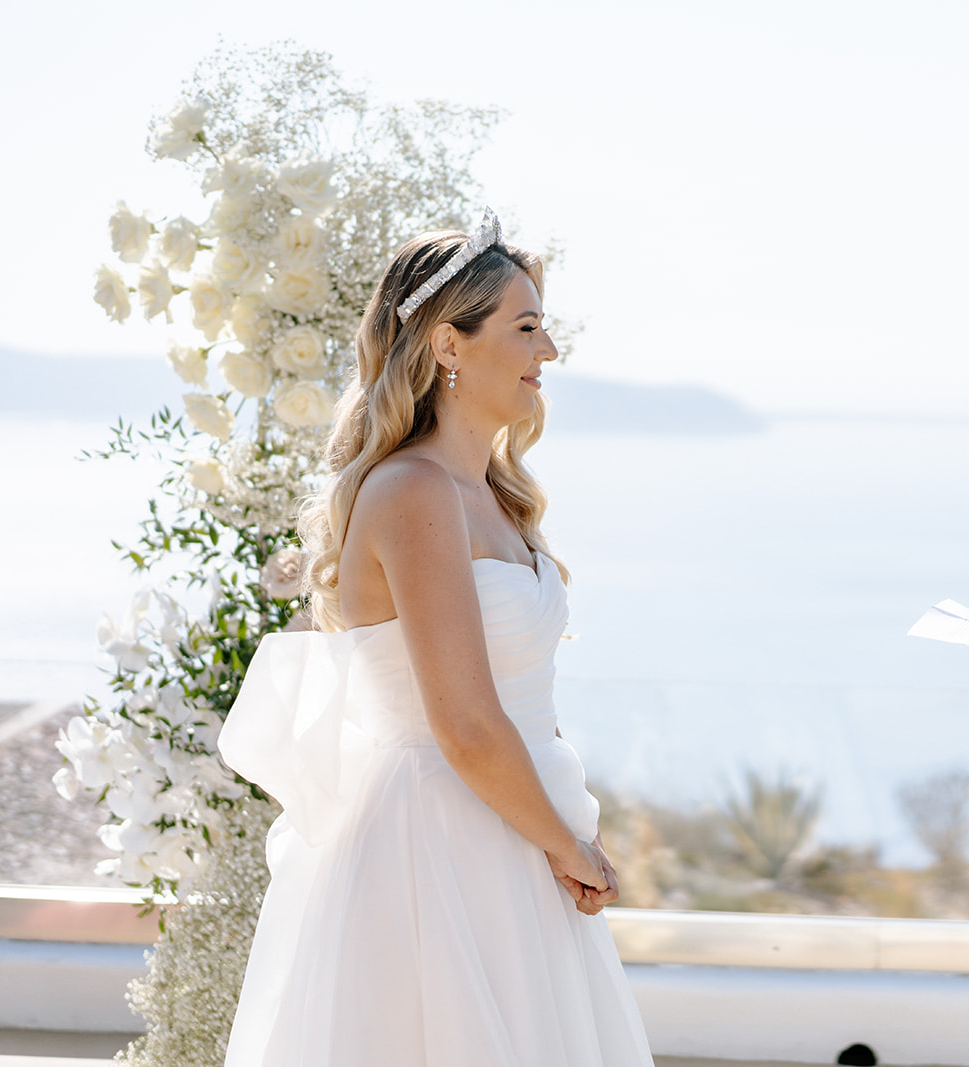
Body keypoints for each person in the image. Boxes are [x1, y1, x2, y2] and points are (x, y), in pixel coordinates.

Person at [217, 209, 655, 1066]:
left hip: (515, 831)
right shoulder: (412, 492)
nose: (548, 353)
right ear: (449, 344)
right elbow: (463, 721)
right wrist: (571, 848)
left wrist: (563, 834)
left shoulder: (492, 491)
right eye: (527, 329)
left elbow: (525, 701)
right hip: (436, 848)